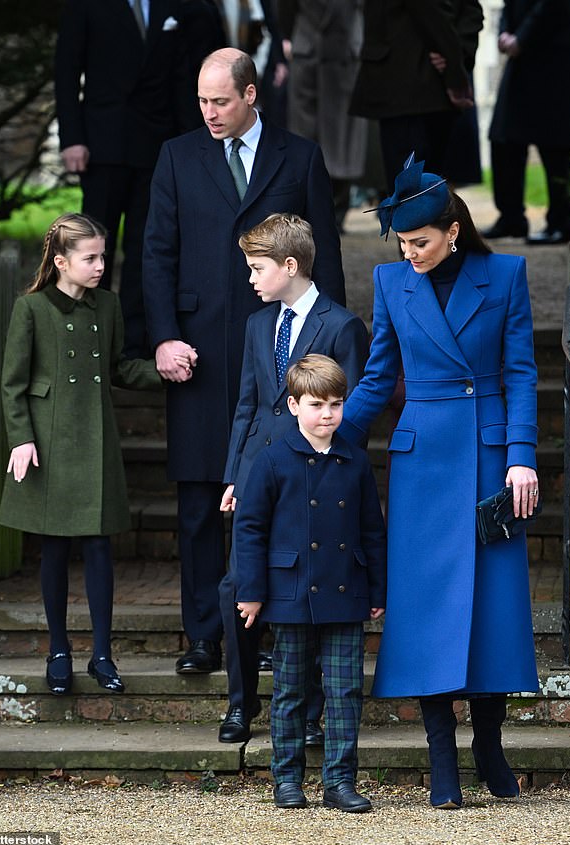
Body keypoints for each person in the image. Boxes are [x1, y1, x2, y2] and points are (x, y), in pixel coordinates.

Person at [340, 155, 540, 809]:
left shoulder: (505, 274)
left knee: (491, 611)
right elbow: (376, 378)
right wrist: (329, 439)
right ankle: (440, 759)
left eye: (420, 241)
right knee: (426, 612)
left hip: (489, 461)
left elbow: (519, 373)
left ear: (454, 230)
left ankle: (488, 745)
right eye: (402, 242)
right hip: (423, 466)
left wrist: (522, 455)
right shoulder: (391, 282)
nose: (410, 252)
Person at [142, 48, 345, 676]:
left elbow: (325, 258)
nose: (208, 113)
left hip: (279, 357)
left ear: (252, 95)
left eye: (220, 101)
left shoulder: (300, 155)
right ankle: (205, 634)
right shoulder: (177, 155)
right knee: (201, 499)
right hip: (198, 355)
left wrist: (325, 349)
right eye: (201, 101)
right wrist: (162, 338)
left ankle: (271, 638)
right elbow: (155, 252)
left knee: (281, 497)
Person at [218, 213, 369, 744]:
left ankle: (308, 716)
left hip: (316, 479)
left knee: (308, 590)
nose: (251, 279)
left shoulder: (342, 324)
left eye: (257, 268)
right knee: (237, 585)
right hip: (260, 473)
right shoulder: (259, 324)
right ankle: (242, 705)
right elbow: (248, 405)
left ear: (290, 265)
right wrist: (235, 475)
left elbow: (349, 414)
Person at [0, 213, 163, 696]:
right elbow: (12, 385)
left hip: (95, 440)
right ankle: (58, 650)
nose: (99, 266)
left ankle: (103, 654)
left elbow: (119, 368)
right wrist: (21, 439)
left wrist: (166, 371)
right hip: (48, 445)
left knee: (98, 550)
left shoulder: (107, 306)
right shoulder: (30, 309)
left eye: (102, 256)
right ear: (60, 261)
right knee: (53, 550)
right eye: (89, 258)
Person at [235, 354, 386, 811]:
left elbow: (372, 530)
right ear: (295, 404)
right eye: (318, 405)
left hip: (344, 591)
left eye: (336, 405)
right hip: (290, 593)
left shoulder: (355, 461)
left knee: (344, 693)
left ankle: (339, 781)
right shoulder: (272, 460)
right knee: (290, 692)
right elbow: (250, 529)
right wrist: (251, 592)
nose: (328, 415)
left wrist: (377, 591)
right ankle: (287, 779)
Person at [55, 0, 225, 358]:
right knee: (92, 246)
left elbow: (183, 75)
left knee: (146, 247)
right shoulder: (86, 6)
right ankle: (85, 340)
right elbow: (67, 69)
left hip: (155, 145)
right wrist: (72, 137)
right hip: (101, 145)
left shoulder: (175, 5)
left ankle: (134, 344)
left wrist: (191, 145)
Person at [349, 0, 482, 192]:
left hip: (411, 82)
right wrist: (456, 60)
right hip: (412, 79)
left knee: (415, 191)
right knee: (419, 187)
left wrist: (455, 64)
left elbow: (459, 10)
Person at [483, 0, 570, 244]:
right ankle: (511, 217)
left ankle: (560, 223)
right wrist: (505, 33)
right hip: (522, 57)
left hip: (555, 55)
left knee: (555, 144)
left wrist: (521, 38)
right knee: (504, 136)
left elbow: (554, 6)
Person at [277, 0, 368, 230]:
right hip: (312, 53)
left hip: (343, 53)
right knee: (306, 138)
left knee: (343, 140)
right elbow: (284, 10)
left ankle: (336, 208)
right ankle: (311, 208)